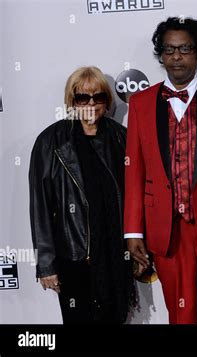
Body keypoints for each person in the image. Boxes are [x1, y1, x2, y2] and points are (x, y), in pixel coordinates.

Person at [124, 17, 197, 324]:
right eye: (169, 49)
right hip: (166, 229)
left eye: (185, 49)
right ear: (161, 55)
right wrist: (133, 230)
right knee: (180, 314)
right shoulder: (139, 103)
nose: (176, 56)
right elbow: (134, 171)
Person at [28, 66, 135, 323]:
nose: (90, 104)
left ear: (107, 102)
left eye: (98, 97)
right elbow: (40, 207)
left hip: (115, 257)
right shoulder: (51, 142)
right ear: (71, 101)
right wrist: (46, 264)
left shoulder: (122, 139)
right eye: (82, 97)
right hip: (74, 257)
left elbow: (136, 198)